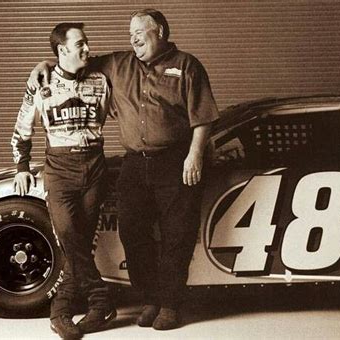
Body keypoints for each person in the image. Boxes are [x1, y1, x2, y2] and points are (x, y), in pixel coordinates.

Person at [29, 9, 219, 331]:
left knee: (177, 236)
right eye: (129, 34)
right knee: (133, 233)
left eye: (138, 33)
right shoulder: (118, 64)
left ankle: (170, 305)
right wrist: (43, 65)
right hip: (135, 163)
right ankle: (149, 300)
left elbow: (203, 118)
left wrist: (194, 155)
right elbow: (71, 62)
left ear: (158, 31)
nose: (132, 39)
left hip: (175, 162)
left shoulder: (187, 65)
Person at [11, 22, 116, 340]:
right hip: (59, 171)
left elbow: (107, 117)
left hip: (95, 168)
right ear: (61, 50)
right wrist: (22, 167)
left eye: (87, 42)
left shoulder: (100, 81)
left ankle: (61, 313)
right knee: (69, 232)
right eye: (81, 43)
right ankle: (100, 301)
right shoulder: (41, 84)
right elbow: (22, 129)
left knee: (79, 242)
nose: (88, 48)